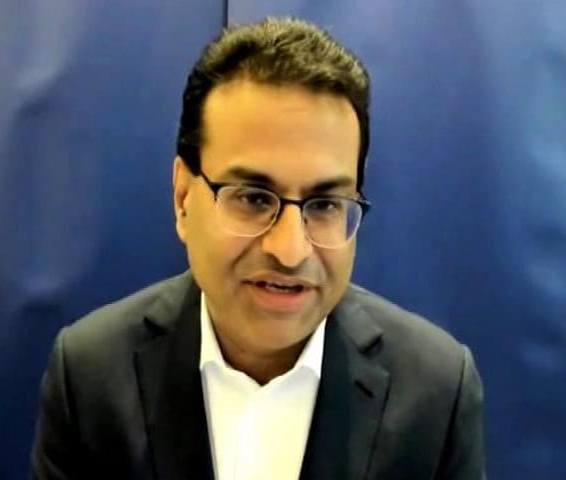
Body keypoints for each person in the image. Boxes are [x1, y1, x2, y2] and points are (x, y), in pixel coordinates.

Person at [31, 17, 485, 479]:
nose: (290, 251)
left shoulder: (436, 394)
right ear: (184, 198)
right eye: (253, 198)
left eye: (325, 204)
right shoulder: (89, 378)